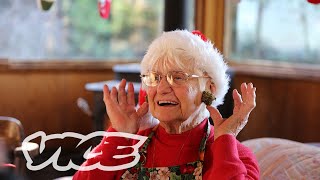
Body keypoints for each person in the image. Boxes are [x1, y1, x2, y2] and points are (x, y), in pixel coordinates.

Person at [73, 30, 259, 179]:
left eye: (177, 77)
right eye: (155, 78)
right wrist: (119, 135)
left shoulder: (234, 157)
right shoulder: (129, 145)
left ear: (209, 87)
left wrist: (225, 140)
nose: (161, 88)